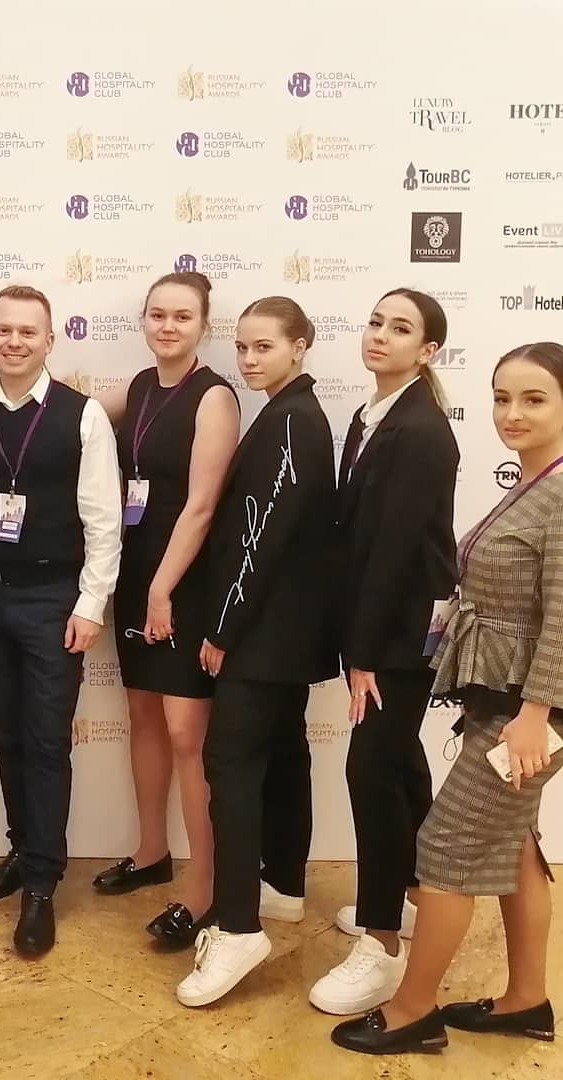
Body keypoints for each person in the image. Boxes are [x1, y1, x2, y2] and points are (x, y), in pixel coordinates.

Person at [334, 342, 563, 1054]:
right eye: (502, 397)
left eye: (534, 399)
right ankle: (526, 1000)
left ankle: (411, 1013)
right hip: (501, 701)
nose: (512, 413)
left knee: (444, 846)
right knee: (515, 846)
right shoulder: (534, 484)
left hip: (527, 713)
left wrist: (535, 714)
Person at [0, 284, 121, 956]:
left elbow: (103, 520)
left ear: (50, 340)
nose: (14, 341)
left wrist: (90, 604)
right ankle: (22, 852)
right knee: (8, 738)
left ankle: (43, 885)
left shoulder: (81, 415)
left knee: (47, 744)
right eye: (3, 330)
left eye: (28, 332)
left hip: (55, 600)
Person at [177, 297, 338, 1006]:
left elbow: (261, 539)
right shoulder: (285, 413)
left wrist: (222, 629)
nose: (248, 359)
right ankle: (286, 886)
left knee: (232, 765)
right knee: (283, 754)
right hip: (280, 634)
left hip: (265, 636)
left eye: (264, 346)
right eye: (241, 346)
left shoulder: (295, 420)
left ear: (300, 346)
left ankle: (238, 927)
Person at [309, 288, 459, 1015]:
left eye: (400, 329)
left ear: (427, 350)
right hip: (376, 627)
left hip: (401, 632)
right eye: (375, 322)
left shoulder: (422, 430)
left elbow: (396, 551)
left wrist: (364, 653)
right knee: (397, 762)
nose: (380, 335)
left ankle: (381, 944)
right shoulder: (373, 415)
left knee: (371, 770)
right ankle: (413, 895)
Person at [91, 272, 239, 949]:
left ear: (203, 325)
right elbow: (73, 409)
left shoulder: (215, 397)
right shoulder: (139, 388)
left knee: (186, 734)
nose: (168, 326)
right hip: (134, 573)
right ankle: (152, 852)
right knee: (144, 716)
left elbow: (202, 507)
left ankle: (204, 885)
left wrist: (162, 590)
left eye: (182, 316)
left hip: (185, 583)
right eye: (158, 315)